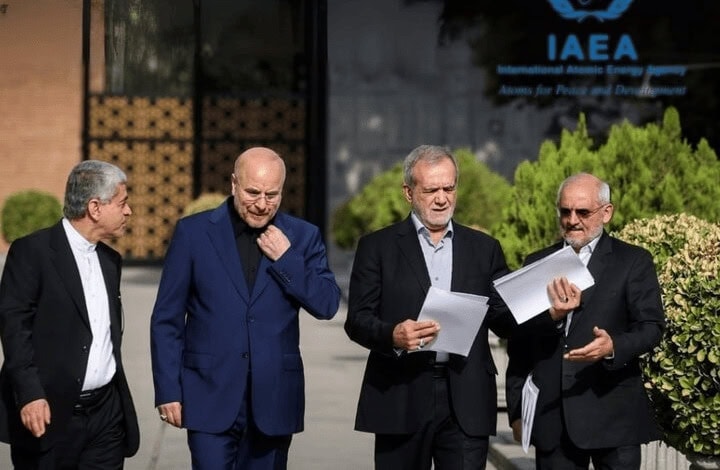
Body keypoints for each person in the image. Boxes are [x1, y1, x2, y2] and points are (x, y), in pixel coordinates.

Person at [150, 146, 340, 469]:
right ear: (234, 184)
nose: (262, 204)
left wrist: (288, 260)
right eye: (253, 192)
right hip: (208, 394)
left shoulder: (303, 236)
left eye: (272, 195)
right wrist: (168, 390)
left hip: (275, 399)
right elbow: (167, 319)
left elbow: (328, 304)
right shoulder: (193, 233)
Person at [344, 145, 517, 470]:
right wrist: (393, 335)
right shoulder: (377, 247)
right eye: (431, 190)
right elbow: (357, 320)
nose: (441, 199)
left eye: (448, 189)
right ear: (408, 192)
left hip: (466, 397)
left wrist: (546, 308)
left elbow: (504, 319)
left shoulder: (484, 249)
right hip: (400, 395)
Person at [505, 172, 665, 470]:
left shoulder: (633, 261)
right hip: (553, 420)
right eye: (565, 211)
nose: (572, 220)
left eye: (583, 212)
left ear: (607, 212)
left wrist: (613, 346)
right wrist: (517, 411)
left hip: (614, 416)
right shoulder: (536, 263)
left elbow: (652, 327)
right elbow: (519, 343)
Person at [0, 160, 139, 469]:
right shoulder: (32, 252)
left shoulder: (110, 261)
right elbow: (15, 330)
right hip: (49, 414)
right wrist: (30, 394)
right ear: (95, 207)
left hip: (106, 418)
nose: (129, 211)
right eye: (122, 203)